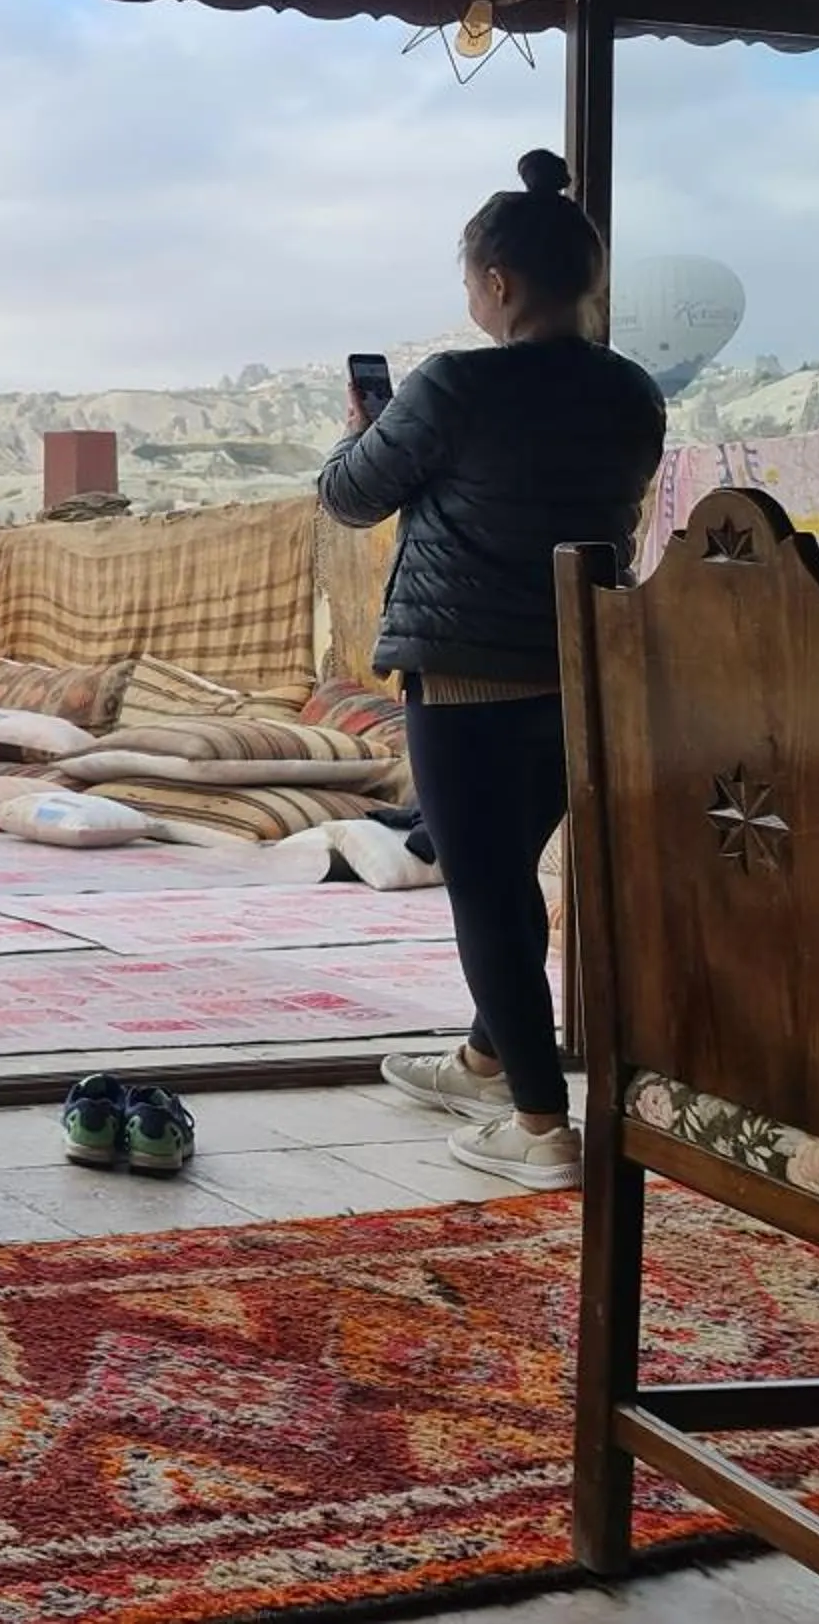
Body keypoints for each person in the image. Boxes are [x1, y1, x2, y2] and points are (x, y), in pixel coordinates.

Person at [316, 148, 665, 1188]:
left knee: (485, 890)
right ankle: (482, 1059)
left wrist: (368, 432)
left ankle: (539, 1124)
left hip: (466, 676)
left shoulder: (456, 384)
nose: (470, 294)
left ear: (500, 283)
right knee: (510, 876)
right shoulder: (631, 393)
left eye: (471, 278)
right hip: (578, 674)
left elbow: (349, 496)